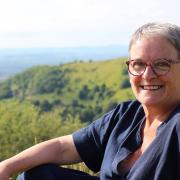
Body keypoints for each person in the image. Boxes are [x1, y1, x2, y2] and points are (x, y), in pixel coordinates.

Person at [0, 22, 180, 180]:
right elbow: (64, 147)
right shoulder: (127, 115)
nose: (147, 75)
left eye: (162, 64)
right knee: (37, 176)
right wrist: (6, 167)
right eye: (138, 64)